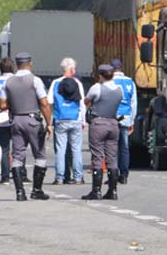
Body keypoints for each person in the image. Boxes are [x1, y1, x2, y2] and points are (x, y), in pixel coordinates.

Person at [0, 52, 53, 201]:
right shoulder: (35, 80)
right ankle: (37, 190)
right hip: (32, 119)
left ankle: (20, 192)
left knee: (17, 156)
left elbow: (2, 105)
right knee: (40, 155)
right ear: (30, 63)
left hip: (16, 120)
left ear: (17, 64)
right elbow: (44, 103)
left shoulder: (8, 82)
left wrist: (15, 102)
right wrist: (49, 123)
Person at [82, 64, 123, 201]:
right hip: (113, 123)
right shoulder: (119, 89)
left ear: (100, 75)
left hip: (99, 122)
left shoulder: (97, 87)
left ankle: (96, 190)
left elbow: (86, 101)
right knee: (112, 157)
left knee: (97, 156)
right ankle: (113, 190)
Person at [47, 58, 86, 185]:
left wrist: (52, 117)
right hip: (75, 118)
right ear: (70, 69)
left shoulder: (55, 83)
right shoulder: (77, 83)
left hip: (60, 118)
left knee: (60, 149)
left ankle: (59, 177)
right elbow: (82, 103)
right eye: (74, 68)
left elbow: (49, 101)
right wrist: (83, 120)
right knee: (76, 149)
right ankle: (78, 177)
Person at [110, 58, 137, 185]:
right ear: (121, 68)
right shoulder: (130, 82)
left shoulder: (109, 81)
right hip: (126, 116)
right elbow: (133, 103)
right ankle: (124, 174)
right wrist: (132, 121)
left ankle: (113, 174)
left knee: (112, 147)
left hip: (112, 116)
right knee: (124, 147)